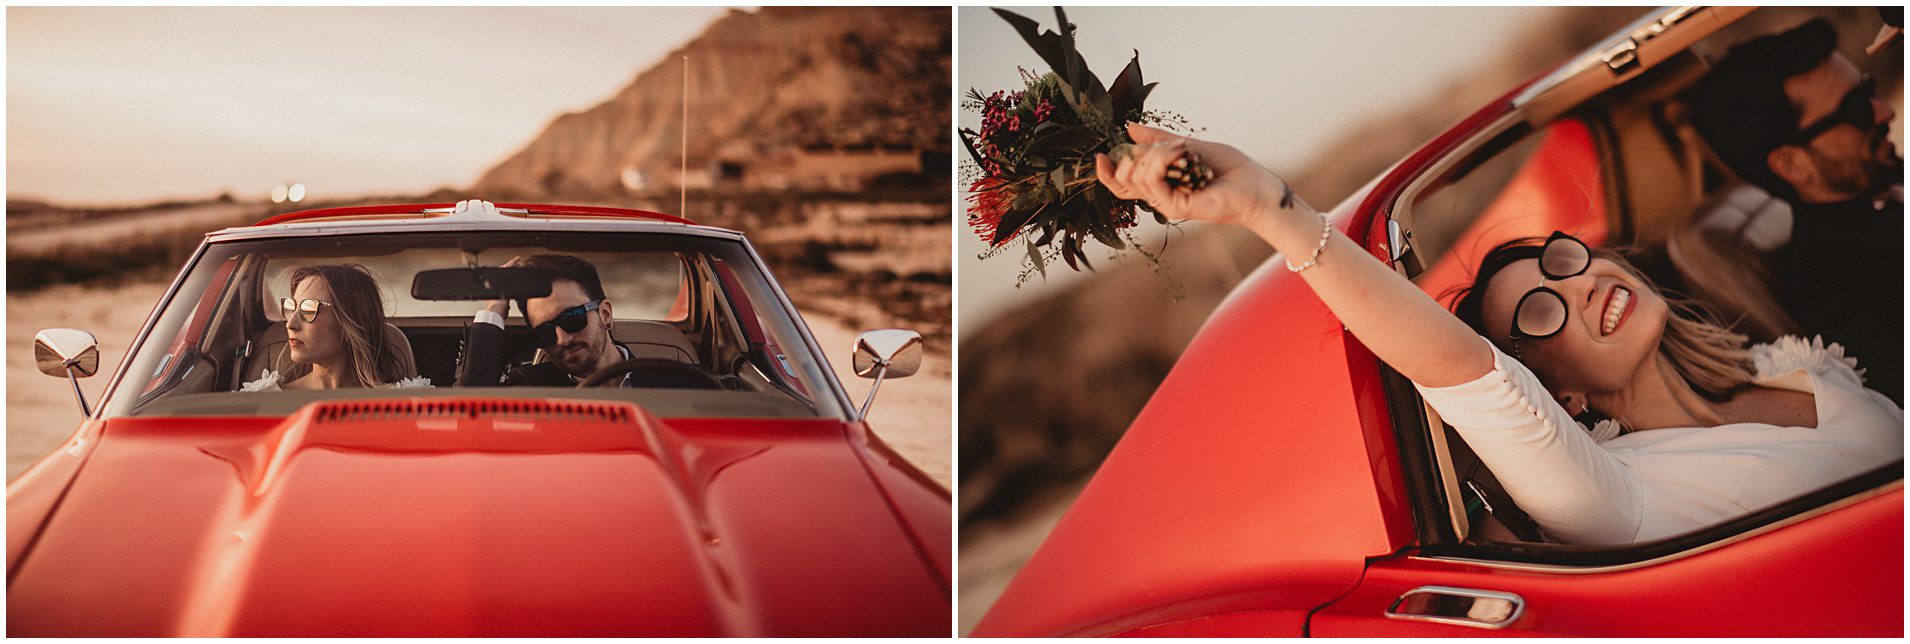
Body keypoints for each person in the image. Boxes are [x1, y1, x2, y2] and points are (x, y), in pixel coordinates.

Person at [1096, 122, 1902, 545]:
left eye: (1564, 262)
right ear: (1562, 395)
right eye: (1540, 313)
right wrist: (1266, 209)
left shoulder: (1770, 358)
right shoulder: (1617, 498)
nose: (1580, 286)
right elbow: (1468, 377)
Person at [1690, 17, 1903, 403]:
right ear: (1792, 165)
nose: (1883, 111)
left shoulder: (1880, 183)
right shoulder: (1843, 283)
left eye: (1868, 89)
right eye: (1856, 109)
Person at [456, 254, 637, 387]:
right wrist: (494, 309)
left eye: (572, 318)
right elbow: (468, 418)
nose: (562, 340)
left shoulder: (663, 381)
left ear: (605, 314)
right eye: (544, 332)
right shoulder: (529, 387)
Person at [241, 264, 429, 391]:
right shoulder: (265, 400)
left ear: (349, 322)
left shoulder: (406, 402)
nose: (290, 324)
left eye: (309, 309)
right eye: (292, 308)